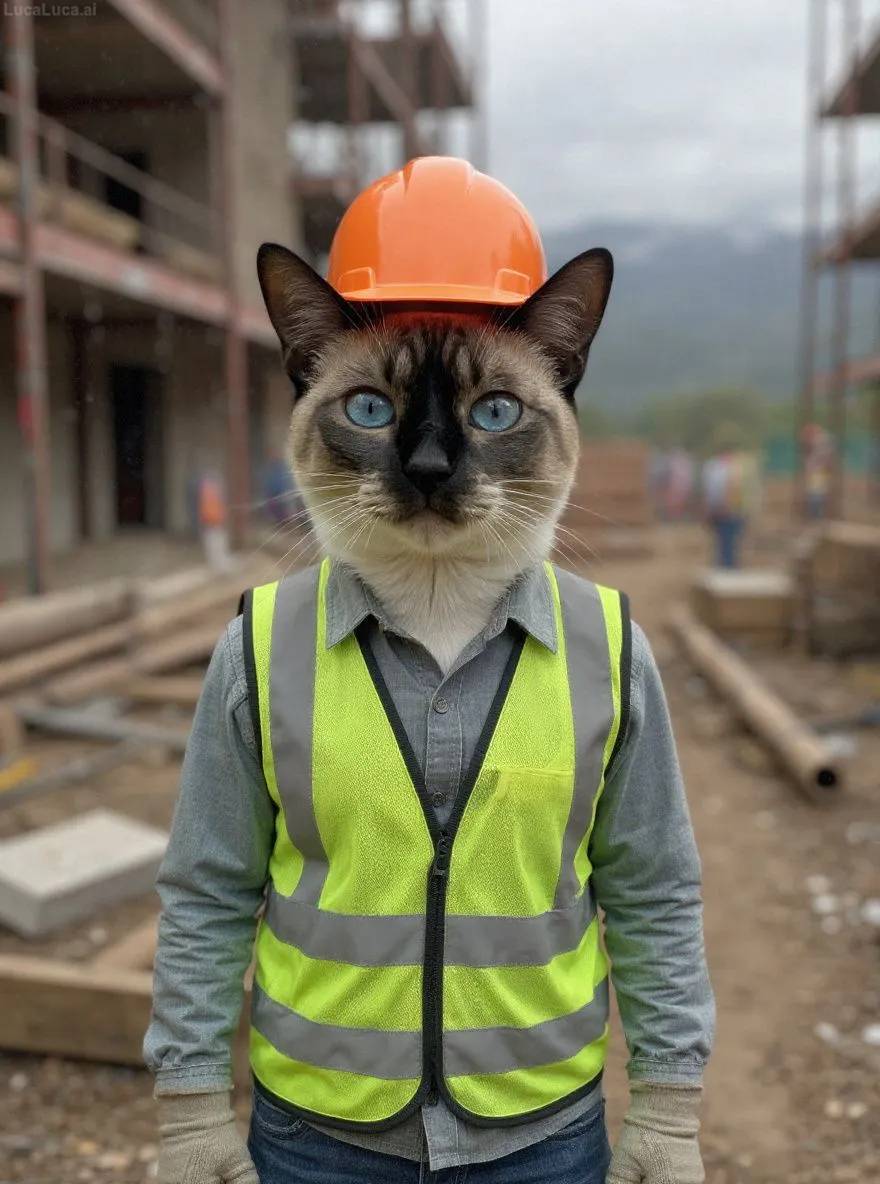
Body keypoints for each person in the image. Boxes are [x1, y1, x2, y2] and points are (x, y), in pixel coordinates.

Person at [146, 157, 714, 1184]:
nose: (428, 460)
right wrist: (189, 1108)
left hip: (540, 1134)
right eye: (371, 410)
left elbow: (653, 889)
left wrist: (669, 1106)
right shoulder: (264, 643)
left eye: (494, 413)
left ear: (565, 373)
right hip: (317, 1136)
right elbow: (206, 889)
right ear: (305, 367)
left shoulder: (608, 646)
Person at [701, 424, 760, 569]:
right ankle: (730, 571)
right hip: (736, 511)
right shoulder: (743, 466)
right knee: (731, 545)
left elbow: (712, 492)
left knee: (724, 545)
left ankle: (726, 572)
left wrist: (710, 510)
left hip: (725, 511)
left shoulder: (715, 467)